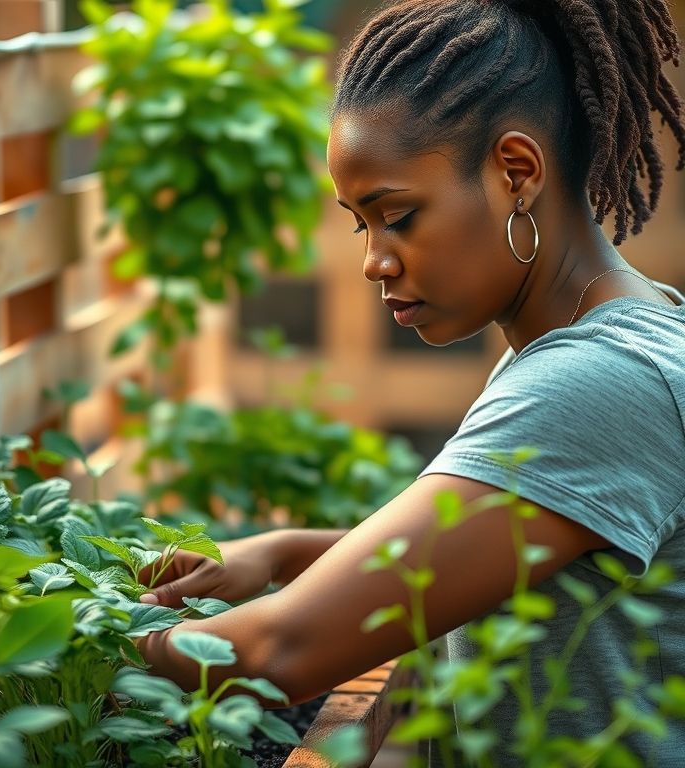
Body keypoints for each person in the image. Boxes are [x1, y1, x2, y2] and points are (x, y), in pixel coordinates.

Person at [138, 0, 685, 762]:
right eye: (363, 224)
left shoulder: (601, 380)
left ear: (516, 173)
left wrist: (42, 656)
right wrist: (287, 550)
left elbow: (281, 651)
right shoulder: (607, 335)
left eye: (397, 214)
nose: (374, 260)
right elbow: (524, 556)